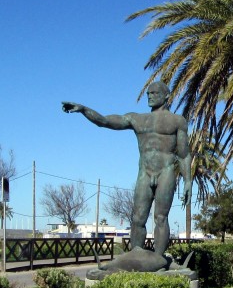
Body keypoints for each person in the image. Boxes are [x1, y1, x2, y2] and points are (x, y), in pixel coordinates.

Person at [63, 81, 191, 258]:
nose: (150, 96)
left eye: (154, 93)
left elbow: (184, 154)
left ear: (166, 96)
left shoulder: (177, 121)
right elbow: (105, 121)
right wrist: (84, 109)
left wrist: (188, 181)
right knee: (138, 219)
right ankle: (136, 257)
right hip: (144, 173)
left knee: (161, 218)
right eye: (148, 93)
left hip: (166, 172)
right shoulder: (137, 118)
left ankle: (159, 260)